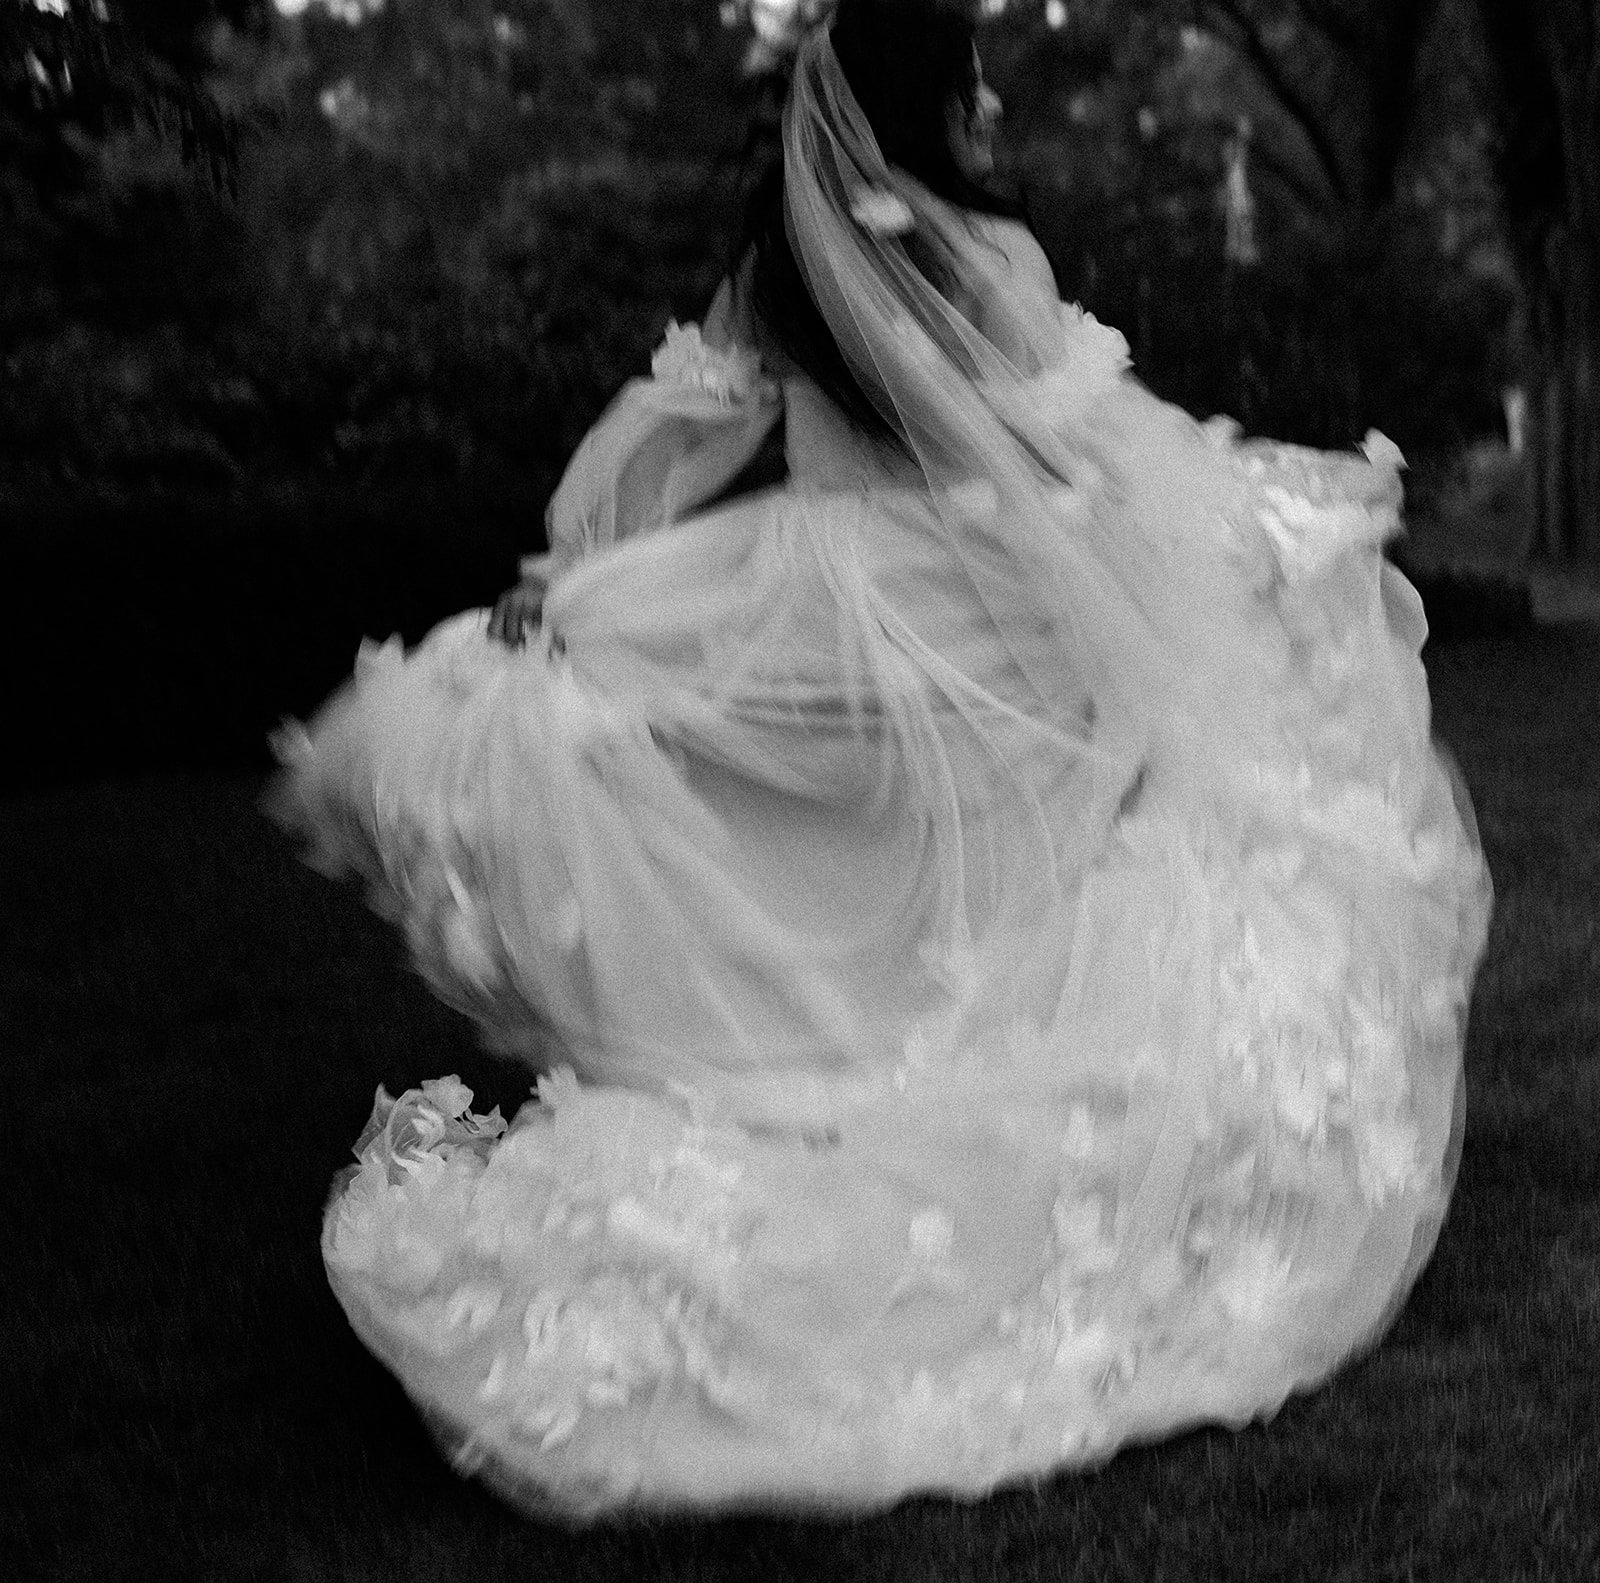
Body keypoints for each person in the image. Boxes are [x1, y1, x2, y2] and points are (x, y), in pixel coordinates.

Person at [273, 0, 1492, 1521]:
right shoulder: (988, 254)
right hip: (967, 596)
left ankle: (842, 1047)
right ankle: (933, 1064)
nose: (993, 107)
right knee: (1054, 822)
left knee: (858, 824)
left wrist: (585, 572)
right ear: (927, 102)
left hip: (825, 593)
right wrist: (1241, 512)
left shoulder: (783, 263)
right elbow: (1077, 456)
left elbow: (679, 427)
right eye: (974, 84)